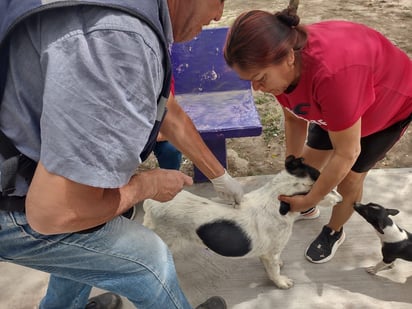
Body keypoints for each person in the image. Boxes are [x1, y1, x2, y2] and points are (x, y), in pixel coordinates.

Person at [0, 0, 245, 308]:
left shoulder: (131, 11)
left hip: (17, 163)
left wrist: (219, 176)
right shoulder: (119, 40)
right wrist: (145, 187)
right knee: (147, 261)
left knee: (88, 241)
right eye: (219, 0)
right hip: (11, 201)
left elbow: (168, 111)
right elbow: (56, 212)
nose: (219, 15)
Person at [223, 6, 412, 264]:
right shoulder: (280, 67)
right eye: (250, 81)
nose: (256, 89)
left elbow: (348, 152)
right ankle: (309, 207)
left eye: (259, 79)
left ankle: (333, 231)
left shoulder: (332, 75)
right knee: (306, 170)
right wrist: (293, 166)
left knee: (349, 180)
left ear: (289, 57)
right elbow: (293, 117)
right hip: (337, 102)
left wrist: (313, 196)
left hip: (387, 107)